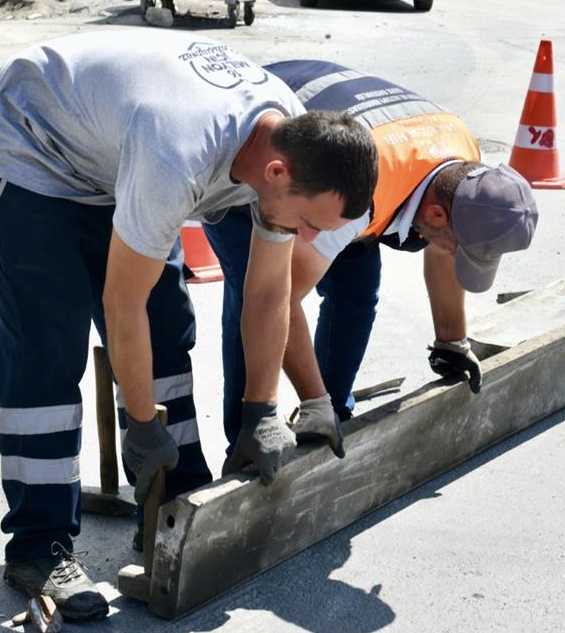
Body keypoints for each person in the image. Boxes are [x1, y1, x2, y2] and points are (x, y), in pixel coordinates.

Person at [0, 35, 377, 621]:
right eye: (308, 223)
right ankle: (39, 546)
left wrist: (262, 410)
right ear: (277, 172)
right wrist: (139, 423)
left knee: (167, 325)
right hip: (30, 143)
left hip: (110, 153)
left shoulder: (289, 141)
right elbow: (120, 303)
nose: (308, 239)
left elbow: (265, 293)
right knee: (48, 348)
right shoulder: (177, 149)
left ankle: (173, 506)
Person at [203, 60, 538, 449]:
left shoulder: (463, 164)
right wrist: (314, 401)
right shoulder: (367, 189)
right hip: (255, 159)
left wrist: (452, 341)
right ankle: (248, 440)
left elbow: (445, 246)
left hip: (339, 152)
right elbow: (280, 298)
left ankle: (330, 417)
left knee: (356, 290)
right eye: (456, 246)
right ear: (434, 214)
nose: (451, 251)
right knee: (257, 295)